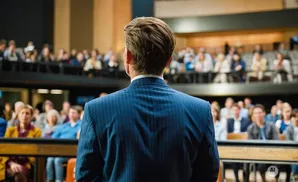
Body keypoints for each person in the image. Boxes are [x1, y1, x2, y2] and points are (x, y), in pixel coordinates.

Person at [76, 17, 219, 182]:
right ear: (169, 61)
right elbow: (207, 175)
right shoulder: (200, 110)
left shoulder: (96, 111)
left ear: (128, 57)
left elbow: (86, 176)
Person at [0, 105, 41, 182]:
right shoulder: (10, 130)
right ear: (18, 116)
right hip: (9, 163)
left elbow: (34, 152)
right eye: (22, 113)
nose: (24, 115)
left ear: (31, 116)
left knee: (19, 174)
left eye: (27, 113)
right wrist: (11, 163)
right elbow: (4, 148)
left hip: (27, 163)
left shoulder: (36, 132)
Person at [247, 104, 283, 182]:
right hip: (258, 153)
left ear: (264, 113)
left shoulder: (272, 126)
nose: (258, 115)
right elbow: (251, 144)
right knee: (260, 163)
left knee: (278, 161)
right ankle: (264, 179)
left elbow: (277, 140)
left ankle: (275, 179)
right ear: (253, 115)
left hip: (272, 151)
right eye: (256, 113)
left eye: (260, 112)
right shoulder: (251, 128)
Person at [46, 106, 81, 182]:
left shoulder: (81, 125)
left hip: (72, 150)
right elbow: (53, 137)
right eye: (70, 112)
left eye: (74, 112)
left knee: (57, 160)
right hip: (59, 149)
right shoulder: (63, 126)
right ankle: (49, 180)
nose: (71, 114)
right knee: (50, 159)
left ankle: (59, 180)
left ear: (78, 114)